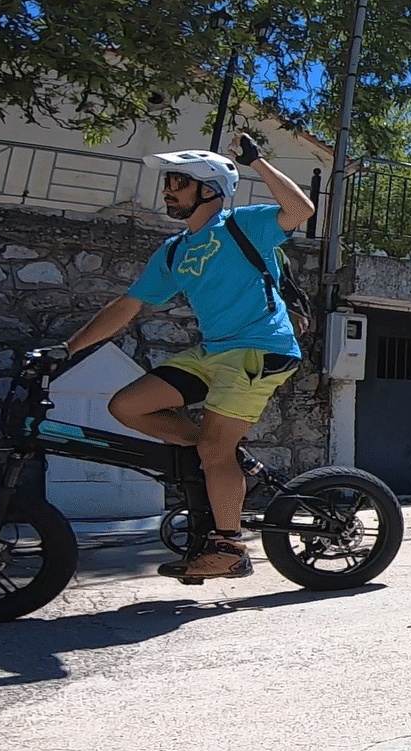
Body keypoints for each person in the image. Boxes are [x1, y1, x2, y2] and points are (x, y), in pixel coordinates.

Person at [57, 133, 316, 579]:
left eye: (177, 180)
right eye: (168, 182)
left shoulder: (242, 225)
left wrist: (257, 163)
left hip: (259, 347)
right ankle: (217, 454)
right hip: (213, 351)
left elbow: (301, 212)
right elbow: (127, 305)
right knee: (127, 405)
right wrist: (67, 350)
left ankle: (230, 548)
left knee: (217, 447)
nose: (167, 189)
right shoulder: (174, 250)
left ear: (209, 188)